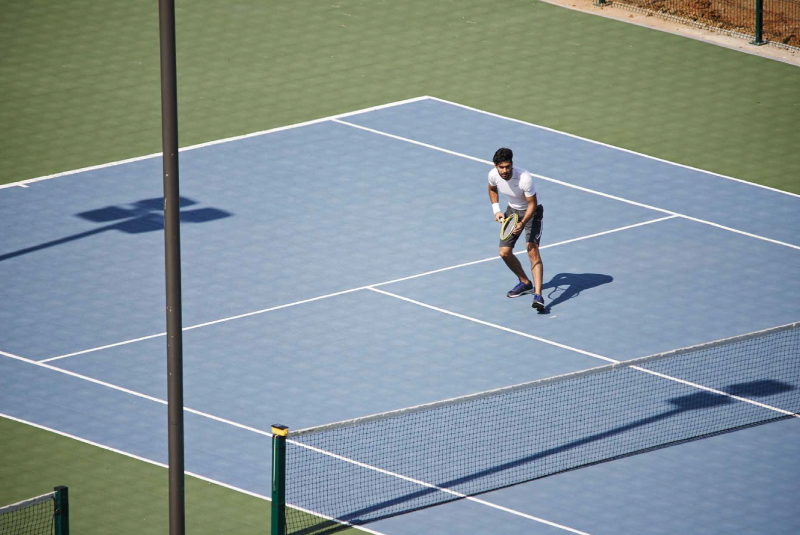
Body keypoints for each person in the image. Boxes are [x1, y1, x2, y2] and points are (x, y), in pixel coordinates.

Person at [487, 147, 545, 311]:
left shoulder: (524, 178)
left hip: (532, 212)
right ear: (496, 166)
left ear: (512, 164)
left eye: (508, 167)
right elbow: (492, 189)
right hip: (512, 211)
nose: (505, 171)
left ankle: (538, 296)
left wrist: (522, 223)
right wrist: (496, 210)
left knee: (532, 249)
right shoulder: (493, 175)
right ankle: (525, 282)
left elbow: (532, 204)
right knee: (504, 253)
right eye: (501, 167)